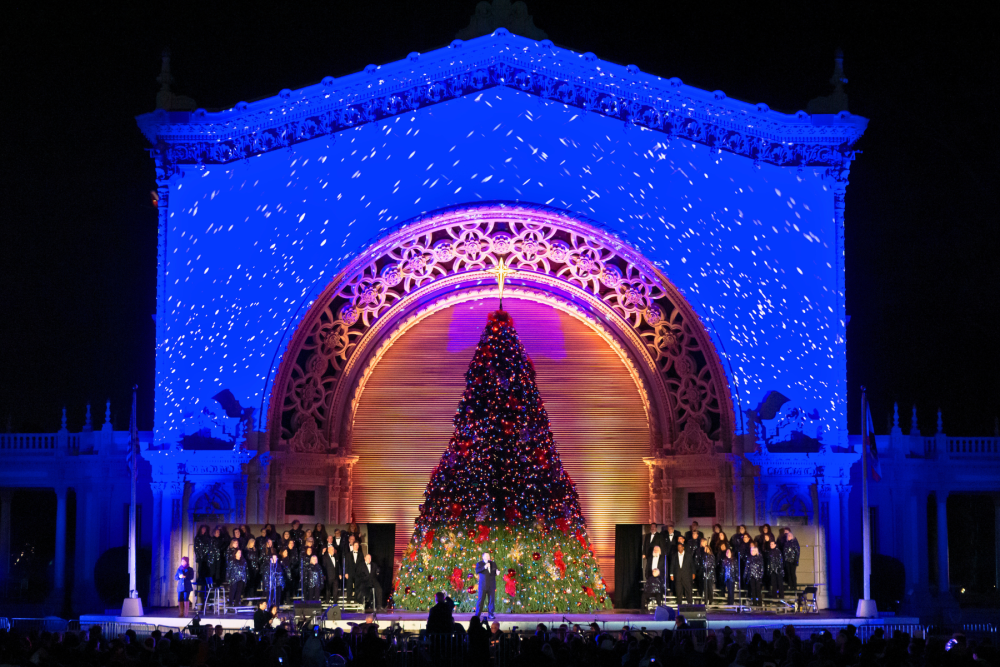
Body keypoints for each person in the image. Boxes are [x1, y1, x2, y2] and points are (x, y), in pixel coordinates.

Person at [474, 551, 499, 619]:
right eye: (486, 556)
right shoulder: (480, 564)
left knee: (491, 601)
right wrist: (485, 567)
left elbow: (495, 571)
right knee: (480, 600)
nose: (488, 557)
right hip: (483, 585)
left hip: (491, 584)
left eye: (489, 556)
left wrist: (497, 572)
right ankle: (477, 615)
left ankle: (491, 614)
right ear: (483, 557)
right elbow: (477, 571)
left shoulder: (493, 563)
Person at [193, 525, 215, 597]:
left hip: (207, 557)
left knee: (207, 570)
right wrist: (199, 555)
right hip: (200, 557)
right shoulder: (198, 538)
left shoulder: (208, 538)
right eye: (202, 529)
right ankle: (201, 580)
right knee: (201, 568)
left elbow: (210, 547)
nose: (204, 530)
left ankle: (207, 582)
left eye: (205, 529)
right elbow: (196, 548)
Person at [699, 538, 716, 604]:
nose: (705, 550)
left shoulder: (712, 556)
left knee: (710, 588)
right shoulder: (704, 556)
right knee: (705, 588)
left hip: (710, 574)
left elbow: (713, 565)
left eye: (706, 549)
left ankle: (710, 600)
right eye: (704, 549)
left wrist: (709, 572)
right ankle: (706, 600)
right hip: (705, 574)